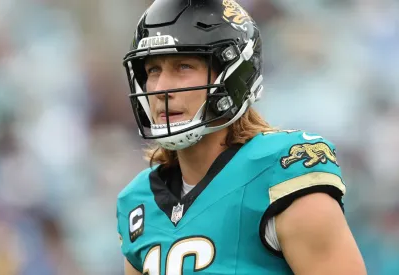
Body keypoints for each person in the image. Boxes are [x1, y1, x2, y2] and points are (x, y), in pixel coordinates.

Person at [116, 0, 367, 274]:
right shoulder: (139, 200)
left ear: (232, 74)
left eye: (184, 66)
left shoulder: (283, 173)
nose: (161, 87)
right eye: (153, 70)